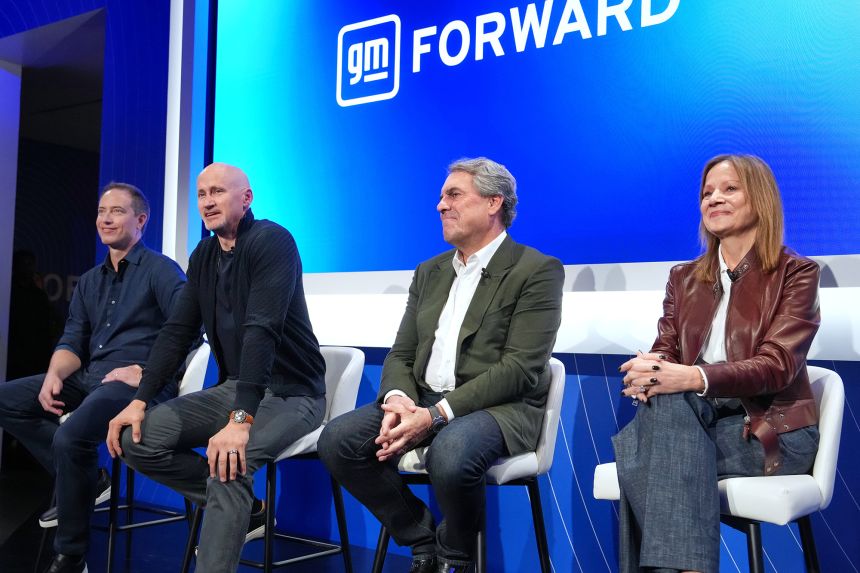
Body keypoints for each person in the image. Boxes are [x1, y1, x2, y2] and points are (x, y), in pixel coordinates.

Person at [318, 157, 564, 573]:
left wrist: (434, 416)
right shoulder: (429, 272)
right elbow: (402, 353)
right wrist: (398, 401)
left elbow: (520, 368)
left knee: (450, 454)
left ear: (493, 203)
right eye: (440, 196)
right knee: (338, 441)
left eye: (453, 195)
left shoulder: (536, 270)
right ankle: (422, 540)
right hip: (424, 400)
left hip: (501, 407)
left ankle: (455, 554)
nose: (440, 206)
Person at [106, 162, 326, 573]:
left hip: (292, 393)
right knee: (139, 439)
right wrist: (140, 400)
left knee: (229, 464)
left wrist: (240, 421)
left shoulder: (272, 242)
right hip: (237, 386)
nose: (208, 201)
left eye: (218, 192)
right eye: (202, 194)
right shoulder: (204, 254)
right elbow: (176, 332)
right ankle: (248, 510)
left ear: (246, 198)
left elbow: (261, 331)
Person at [614, 154, 821, 573]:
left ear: (759, 199)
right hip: (695, 422)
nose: (714, 199)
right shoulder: (684, 278)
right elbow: (666, 348)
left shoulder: (796, 273)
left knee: (641, 450)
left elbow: (776, 366)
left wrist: (693, 376)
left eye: (729, 189)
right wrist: (650, 371)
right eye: (707, 192)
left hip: (770, 430)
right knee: (664, 423)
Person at [0, 183, 186, 573]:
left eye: (116, 211)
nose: (105, 218)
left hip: (137, 384)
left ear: (140, 220)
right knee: (8, 399)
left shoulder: (161, 270)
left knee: (71, 437)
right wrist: (54, 372)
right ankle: (90, 479)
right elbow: (72, 339)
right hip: (91, 377)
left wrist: (146, 371)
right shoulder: (89, 280)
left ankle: (71, 554)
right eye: (102, 211)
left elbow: (187, 329)